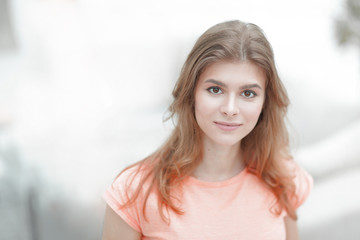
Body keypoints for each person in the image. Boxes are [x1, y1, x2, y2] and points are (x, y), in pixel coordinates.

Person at [101, 20, 313, 240]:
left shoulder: (283, 179)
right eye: (215, 89)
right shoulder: (134, 191)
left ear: (265, 102)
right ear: (191, 93)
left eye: (248, 93)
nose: (230, 109)